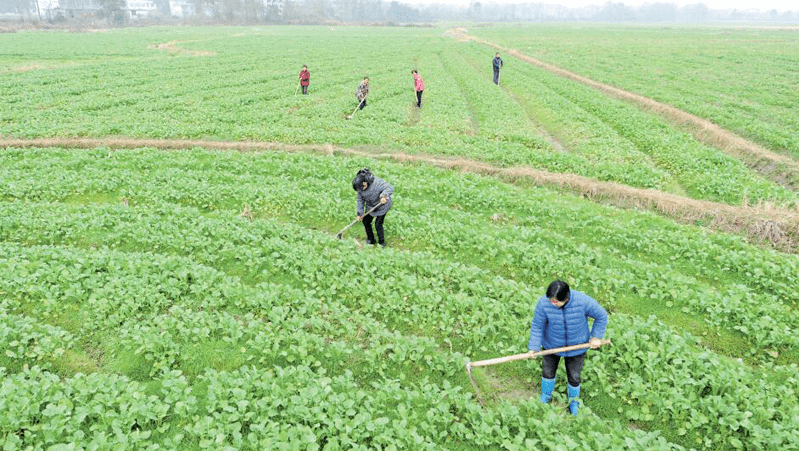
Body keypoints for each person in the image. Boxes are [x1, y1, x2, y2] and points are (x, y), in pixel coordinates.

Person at [527, 280, 608, 416]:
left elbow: (601, 316)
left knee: (574, 376)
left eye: (556, 301)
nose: (552, 303)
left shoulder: (583, 301)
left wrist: (596, 336)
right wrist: (534, 346)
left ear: (566, 298)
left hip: (577, 346)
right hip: (551, 345)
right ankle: (545, 396)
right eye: (550, 300)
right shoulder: (544, 303)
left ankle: (574, 402)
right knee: (548, 372)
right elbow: (537, 325)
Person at [352, 168, 393, 247]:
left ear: (365, 183)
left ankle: (382, 243)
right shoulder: (360, 189)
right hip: (371, 207)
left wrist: (384, 196)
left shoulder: (377, 183)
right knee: (366, 221)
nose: (360, 191)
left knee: (378, 224)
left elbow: (390, 188)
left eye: (361, 188)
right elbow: (360, 201)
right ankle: (371, 239)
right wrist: (359, 214)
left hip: (382, 206)